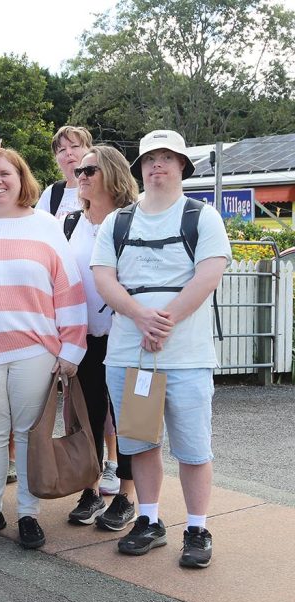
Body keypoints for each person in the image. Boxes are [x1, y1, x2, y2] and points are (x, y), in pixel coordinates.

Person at [92, 130, 230, 569]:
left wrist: (162, 319)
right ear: (140, 167)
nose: (158, 165)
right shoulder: (118, 222)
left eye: (168, 157)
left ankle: (197, 527)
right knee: (140, 444)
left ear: (183, 166)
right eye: (151, 158)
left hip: (186, 359)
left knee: (193, 449)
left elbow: (208, 275)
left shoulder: (202, 217)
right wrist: (140, 315)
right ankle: (148, 521)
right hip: (131, 358)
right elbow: (104, 277)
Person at [0, 148, 87, 551]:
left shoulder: (45, 226)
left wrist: (71, 349)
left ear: (22, 179)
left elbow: (69, 288)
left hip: (35, 350)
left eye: (5, 174)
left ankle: (28, 514)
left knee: (27, 435)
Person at [59, 146, 140, 531]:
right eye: (78, 171)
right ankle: (89, 489)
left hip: (126, 335)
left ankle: (127, 494)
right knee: (86, 417)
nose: (82, 176)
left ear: (112, 172)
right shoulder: (71, 222)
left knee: (130, 419)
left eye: (90, 169)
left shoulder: (133, 220)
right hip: (84, 337)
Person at [37, 126, 93, 219]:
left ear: (89, 150)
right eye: (62, 150)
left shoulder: (102, 187)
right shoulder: (52, 193)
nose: (68, 153)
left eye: (74, 146)